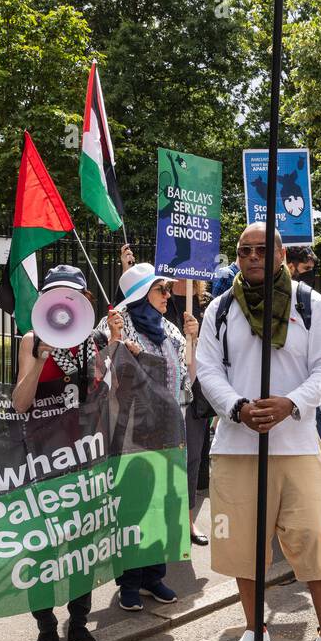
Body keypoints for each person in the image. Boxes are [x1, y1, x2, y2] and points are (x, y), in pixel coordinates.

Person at [196, 222, 321, 641]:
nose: (252, 257)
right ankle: (256, 632)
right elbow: (207, 369)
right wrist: (237, 408)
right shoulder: (220, 309)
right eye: (243, 250)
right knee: (243, 546)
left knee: (314, 540)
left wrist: (290, 403)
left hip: (296, 444)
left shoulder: (311, 305)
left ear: (279, 255)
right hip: (237, 446)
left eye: (261, 249)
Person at [11, 265, 108, 641]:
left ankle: (79, 624)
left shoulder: (93, 342)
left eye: (73, 295)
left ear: (84, 301)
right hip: (43, 457)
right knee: (42, 545)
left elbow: (107, 395)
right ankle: (46, 628)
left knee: (82, 545)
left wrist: (116, 350)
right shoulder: (31, 340)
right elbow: (19, 402)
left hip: (84, 458)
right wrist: (38, 361)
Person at [107, 256, 197, 611]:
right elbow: (104, 376)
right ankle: (129, 580)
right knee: (133, 505)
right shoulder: (118, 325)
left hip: (169, 428)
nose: (169, 294)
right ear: (142, 293)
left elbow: (189, 376)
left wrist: (192, 340)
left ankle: (153, 576)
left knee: (162, 502)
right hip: (131, 434)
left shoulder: (170, 329)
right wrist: (116, 346)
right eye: (162, 289)